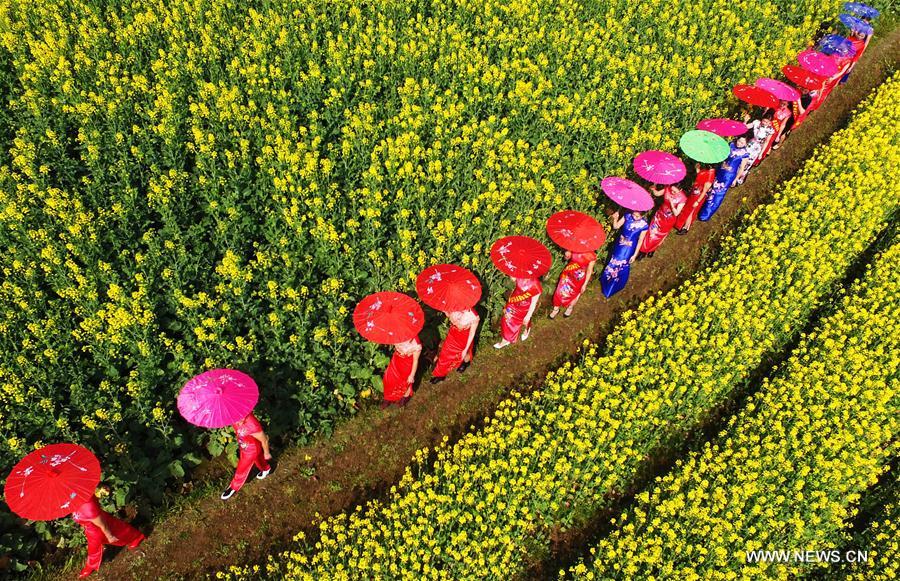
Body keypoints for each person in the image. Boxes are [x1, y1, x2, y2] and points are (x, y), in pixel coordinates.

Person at [71, 489, 145, 578]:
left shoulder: (87, 506)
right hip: (92, 528)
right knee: (118, 529)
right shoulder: (73, 498)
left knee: (115, 534)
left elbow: (101, 523)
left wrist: (109, 535)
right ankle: (135, 537)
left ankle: (136, 537)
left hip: (97, 528)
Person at [221, 411, 272, 500]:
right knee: (258, 459)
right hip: (245, 445)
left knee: (242, 468)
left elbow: (264, 440)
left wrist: (267, 453)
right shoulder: (233, 415)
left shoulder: (252, 424)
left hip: (251, 450)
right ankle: (266, 468)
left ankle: (233, 487)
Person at [698, 137, 750, 221]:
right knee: (711, 190)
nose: (739, 143)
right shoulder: (731, 145)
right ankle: (701, 208)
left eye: (742, 143)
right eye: (739, 141)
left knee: (718, 193)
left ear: (745, 144)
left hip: (729, 176)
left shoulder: (745, 154)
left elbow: (741, 169)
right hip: (721, 170)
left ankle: (706, 214)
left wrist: (735, 179)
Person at [599, 210, 649, 298]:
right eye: (634, 215)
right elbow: (616, 226)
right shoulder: (627, 216)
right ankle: (606, 280)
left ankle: (614, 286)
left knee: (622, 265)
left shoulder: (644, 225)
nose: (634, 217)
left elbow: (640, 240)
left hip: (629, 248)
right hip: (620, 245)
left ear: (643, 215)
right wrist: (615, 218)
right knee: (613, 261)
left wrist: (635, 254)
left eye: (637, 216)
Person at [430, 309, 479, 383]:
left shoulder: (474, 316)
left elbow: (472, 333)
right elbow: (449, 316)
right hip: (453, 333)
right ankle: (440, 375)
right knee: (445, 354)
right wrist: (447, 312)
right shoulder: (454, 305)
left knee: (464, 353)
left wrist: (465, 349)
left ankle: (465, 363)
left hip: (464, 337)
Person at [638, 184, 686, 258]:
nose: (672, 192)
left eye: (675, 191)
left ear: (680, 190)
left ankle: (652, 249)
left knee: (660, 235)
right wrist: (653, 189)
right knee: (651, 232)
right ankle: (643, 250)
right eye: (672, 190)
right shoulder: (667, 189)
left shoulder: (682, 198)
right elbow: (657, 194)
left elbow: (676, 213)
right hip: (659, 215)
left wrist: (671, 203)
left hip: (669, 220)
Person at [494, 277, 542, 349]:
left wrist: (528, 315)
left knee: (525, 321)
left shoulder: (536, 286)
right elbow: (513, 280)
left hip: (525, 307)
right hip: (513, 302)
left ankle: (526, 330)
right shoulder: (520, 274)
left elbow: (533, 303)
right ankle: (505, 340)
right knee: (506, 319)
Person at [549, 250, 596, 318]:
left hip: (579, 278)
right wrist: (566, 256)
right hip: (568, 274)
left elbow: (589, 271)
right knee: (559, 291)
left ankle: (570, 308)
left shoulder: (592, 256)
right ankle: (556, 309)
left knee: (575, 294)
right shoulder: (574, 247)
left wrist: (585, 284)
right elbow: (566, 259)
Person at [381, 336, 422, 406]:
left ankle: (406, 395)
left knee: (405, 381)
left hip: (407, 364)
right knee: (388, 378)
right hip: (396, 360)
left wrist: (412, 375)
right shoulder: (398, 334)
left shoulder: (416, 344)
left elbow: (415, 361)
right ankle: (389, 396)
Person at [676, 163, 716, 234]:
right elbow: (700, 175)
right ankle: (683, 223)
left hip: (698, 196)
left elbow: (704, 191)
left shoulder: (711, 175)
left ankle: (686, 227)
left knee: (691, 211)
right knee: (688, 209)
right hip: (694, 193)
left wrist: (698, 201)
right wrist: (697, 168)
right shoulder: (707, 170)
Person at [739, 120, 773, 184]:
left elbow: (766, 142)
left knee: (749, 162)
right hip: (751, 144)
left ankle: (740, 178)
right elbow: (745, 127)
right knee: (741, 158)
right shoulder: (756, 122)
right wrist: (745, 121)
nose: (765, 123)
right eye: (764, 121)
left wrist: (761, 153)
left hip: (758, 147)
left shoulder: (770, 130)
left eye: (767, 122)